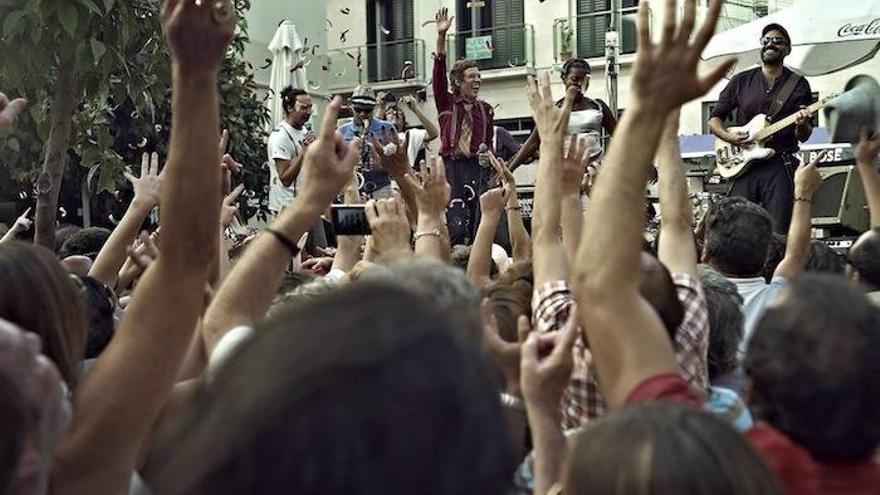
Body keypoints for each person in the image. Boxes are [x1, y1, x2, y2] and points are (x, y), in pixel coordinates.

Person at [708, 23, 813, 233]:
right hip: (744, 165)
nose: (770, 44)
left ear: (787, 49)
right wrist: (728, 137)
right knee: (737, 227)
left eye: (777, 41)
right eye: (766, 41)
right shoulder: (741, 81)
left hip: (779, 163)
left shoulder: (799, 84)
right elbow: (714, 119)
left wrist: (802, 124)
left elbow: (804, 135)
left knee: (778, 229)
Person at [431, 7, 496, 245]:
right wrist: (441, 37)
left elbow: (488, 144)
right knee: (456, 224)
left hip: (475, 169)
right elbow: (438, 74)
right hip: (452, 168)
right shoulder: (446, 101)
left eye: (479, 77)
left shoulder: (486, 109)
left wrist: (488, 161)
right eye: (472, 76)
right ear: (458, 81)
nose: (477, 80)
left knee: (478, 222)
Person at [506, 57, 617, 173]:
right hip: (565, 173)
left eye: (584, 80)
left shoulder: (597, 106)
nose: (579, 84)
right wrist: (509, 169)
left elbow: (619, 135)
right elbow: (533, 142)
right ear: (564, 78)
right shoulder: (554, 110)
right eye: (574, 79)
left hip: (595, 173)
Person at [338, 85, 397, 199]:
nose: (362, 114)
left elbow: (397, 163)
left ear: (374, 108)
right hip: (353, 190)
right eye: (358, 110)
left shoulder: (387, 128)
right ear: (351, 106)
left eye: (367, 110)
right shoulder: (341, 131)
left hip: (381, 188)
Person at [267, 86, 314, 215]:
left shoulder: (304, 130)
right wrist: (304, 152)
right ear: (289, 108)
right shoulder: (280, 136)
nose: (308, 112)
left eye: (310, 107)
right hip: (285, 208)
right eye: (303, 108)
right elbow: (285, 179)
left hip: (304, 204)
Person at [383, 95, 439, 169]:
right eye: (389, 113)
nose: (394, 113)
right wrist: (381, 108)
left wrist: (415, 109)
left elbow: (433, 134)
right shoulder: (379, 135)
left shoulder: (410, 134)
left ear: (403, 120)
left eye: (399, 113)